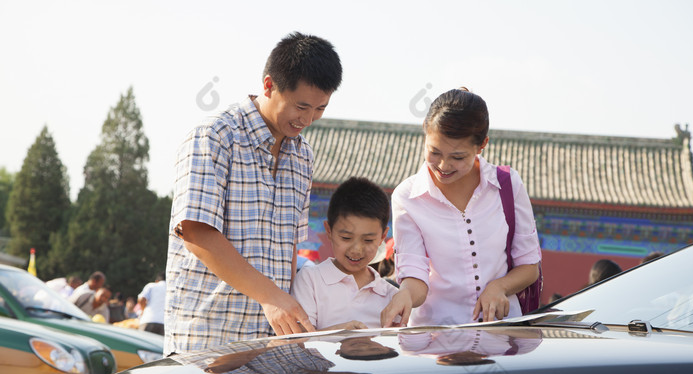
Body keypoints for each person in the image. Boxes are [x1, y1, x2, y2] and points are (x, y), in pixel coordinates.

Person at [165, 32, 343, 355]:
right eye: (301, 106)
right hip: (209, 341)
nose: (307, 119)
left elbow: (289, 246)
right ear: (269, 85)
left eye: (320, 108)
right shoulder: (216, 137)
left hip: (270, 343)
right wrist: (271, 296)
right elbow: (196, 233)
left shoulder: (303, 156)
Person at [381, 87, 541, 328]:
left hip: (501, 334)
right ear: (425, 132)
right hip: (435, 341)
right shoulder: (407, 197)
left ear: (482, 145)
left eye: (458, 157)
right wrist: (404, 294)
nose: (443, 166)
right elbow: (415, 277)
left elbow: (529, 267)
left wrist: (499, 286)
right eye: (434, 152)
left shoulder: (507, 185)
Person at [291, 177, 397, 330]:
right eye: (346, 238)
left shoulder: (391, 295)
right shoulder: (310, 281)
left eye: (368, 240)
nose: (356, 249)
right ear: (329, 231)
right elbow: (299, 342)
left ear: (382, 236)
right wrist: (341, 334)